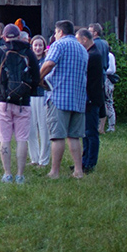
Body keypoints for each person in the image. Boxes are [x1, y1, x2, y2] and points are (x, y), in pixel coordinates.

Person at [0, 23, 39, 183]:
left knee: (5, 139)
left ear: (3, 37)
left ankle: (7, 174)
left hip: (4, 101)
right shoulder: (28, 53)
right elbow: (36, 78)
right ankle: (20, 175)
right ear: (19, 36)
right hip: (23, 103)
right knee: (22, 139)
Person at [39, 20, 88, 180]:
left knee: (57, 136)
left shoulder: (59, 45)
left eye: (55, 32)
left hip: (59, 96)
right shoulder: (82, 49)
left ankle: (54, 172)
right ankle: (78, 171)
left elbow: (49, 64)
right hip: (78, 97)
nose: (54, 35)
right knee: (74, 136)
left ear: (60, 32)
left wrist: (38, 78)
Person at [77, 28, 104, 173]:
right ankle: (84, 160)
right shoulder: (91, 53)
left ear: (84, 40)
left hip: (92, 99)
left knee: (91, 133)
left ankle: (90, 163)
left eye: (78, 40)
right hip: (89, 98)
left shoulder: (93, 55)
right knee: (86, 132)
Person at [27, 35, 51, 166]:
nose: (37, 48)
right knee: (30, 129)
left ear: (44, 47)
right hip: (30, 97)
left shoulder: (47, 61)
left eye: (40, 45)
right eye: (35, 45)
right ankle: (34, 158)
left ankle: (44, 160)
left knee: (43, 129)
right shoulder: (28, 61)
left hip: (43, 97)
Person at [89, 23, 111, 133]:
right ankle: (102, 127)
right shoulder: (105, 44)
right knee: (103, 100)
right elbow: (107, 61)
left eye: (90, 31)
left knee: (94, 101)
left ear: (95, 33)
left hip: (94, 75)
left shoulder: (93, 45)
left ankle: (96, 126)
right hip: (103, 74)